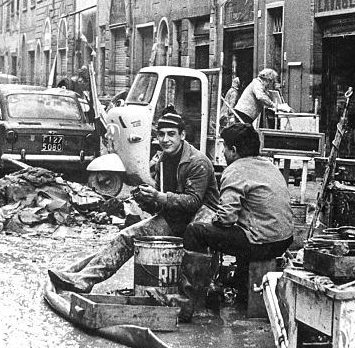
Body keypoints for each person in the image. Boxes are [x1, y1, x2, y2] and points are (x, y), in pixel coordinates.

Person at [47, 111, 220, 293]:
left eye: (171, 134)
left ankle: (192, 294)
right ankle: (83, 280)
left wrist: (158, 197)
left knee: (188, 256)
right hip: (177, 218)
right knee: (127, 236)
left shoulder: (197, 162)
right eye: (161, 134)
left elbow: (193, 201)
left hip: (201, 223)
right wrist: (147, 200)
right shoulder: (162, 160)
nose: (165, 139)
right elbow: (161, 205)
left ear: (182, 135)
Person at [183, 122, 293, 297]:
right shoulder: (270, 166)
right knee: (243, 230)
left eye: (224, 148)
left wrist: (210, 219)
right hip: (284, 240)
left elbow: (225, 219)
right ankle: (241, 288)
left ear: (233, 150)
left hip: (262, 244)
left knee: (195, 231)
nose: (223, 153)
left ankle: (192, 295)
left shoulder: (235, 170)